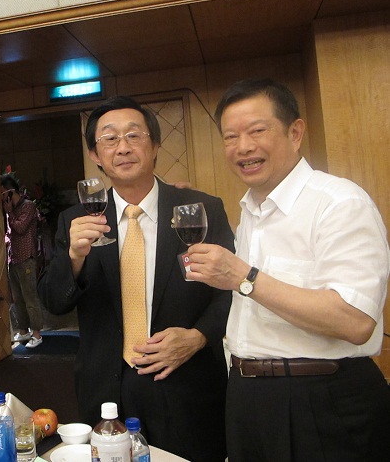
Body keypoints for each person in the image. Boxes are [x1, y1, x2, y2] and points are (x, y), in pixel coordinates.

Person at [186, 78, 390, 461]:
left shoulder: (339, 203)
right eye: (230, 137)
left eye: (257, 131)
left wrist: (244, 278)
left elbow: (356, 320)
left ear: (295, 133)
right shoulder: (250, 211)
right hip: (248, 397)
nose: (243, 147)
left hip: (322, 400)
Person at [38, 96, 235, 462]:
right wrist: (74, 257)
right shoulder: (75, 220)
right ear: (96, 155)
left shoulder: (200, 209)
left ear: (155, 145)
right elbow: (53, 301)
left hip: (185, 379)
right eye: (109, 139)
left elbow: (230, 292)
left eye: (134, 135)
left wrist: (198, 337)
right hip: (106, 388)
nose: (123, 147)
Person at [0, 172, 45, 348]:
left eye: (3, 193)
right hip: (13, 258)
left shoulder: (28, 206)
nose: (1, 198)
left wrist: (9, 212)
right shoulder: (9, 209)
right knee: (17, 298)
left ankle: (37, 334)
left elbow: (20, 228)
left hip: (27, 257)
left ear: (10, 192)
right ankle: (24, 331)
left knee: (30, 297)